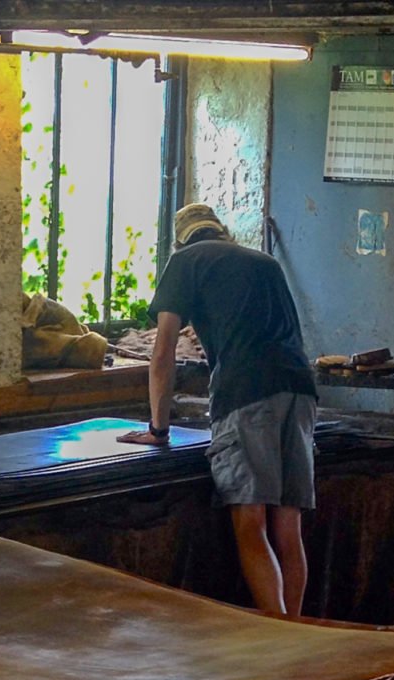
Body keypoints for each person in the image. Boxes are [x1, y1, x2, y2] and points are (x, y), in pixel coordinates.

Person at [119, 203, 318, 617]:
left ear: (180, 238)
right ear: (222, 231)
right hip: (299, 387)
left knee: (250, 520)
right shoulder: (266, 263)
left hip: (245, 392)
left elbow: (163, 351)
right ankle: (296, 632)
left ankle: (277, 634)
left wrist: (158, 429)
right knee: (288, 525)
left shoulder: (185, 261)